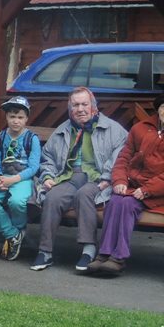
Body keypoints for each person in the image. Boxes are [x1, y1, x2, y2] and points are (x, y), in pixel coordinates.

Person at [30, 86, 127, 272]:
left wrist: (108, 178)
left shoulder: (113, 129)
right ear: (70, 108)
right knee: (52, 197)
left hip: (97, 178)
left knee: (84, 195)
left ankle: (88, 250)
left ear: (93, 106)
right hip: (68, 176)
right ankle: (45, 251)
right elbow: (47, 156)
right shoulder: (63, 130)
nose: (80, 109)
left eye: (84, 104)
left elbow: (121, 156)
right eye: (75, 105)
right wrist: (48, 176)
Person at [86, 93, 164, 276]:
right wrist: (120, 180)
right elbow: (123, 158)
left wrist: (147, 190)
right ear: (158, 108)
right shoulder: (140, 128)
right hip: (133, 186)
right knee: (115, 201)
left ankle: (118, 258)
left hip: (157, 192)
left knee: (127, 204)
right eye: (163, 107)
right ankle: (104, 254)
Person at [0, 95, 41, 261]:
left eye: (20, 117)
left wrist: (13, 180)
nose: (16, 121)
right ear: (6, 117)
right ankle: (13, 234)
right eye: (12, 116)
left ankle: (19, 229)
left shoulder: (32, 139)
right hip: (3, 177)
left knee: (17, 201)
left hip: (22, 178)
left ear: (26, 118)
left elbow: (33, 167)